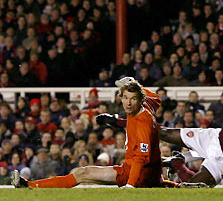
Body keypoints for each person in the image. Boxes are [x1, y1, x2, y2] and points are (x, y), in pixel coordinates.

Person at [12, 79, 166, 188]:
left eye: (133, 99)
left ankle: (30, 185)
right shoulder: (146, 106)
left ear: (140, 99)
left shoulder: (142, 122)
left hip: (135, 173)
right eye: (125, 98)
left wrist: (131, 185)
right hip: (139, 171)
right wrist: (132, 84)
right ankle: (29, 185)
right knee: (82, 173)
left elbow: (140, 157)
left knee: (82, 173)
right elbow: (156, 98)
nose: (128, 103)